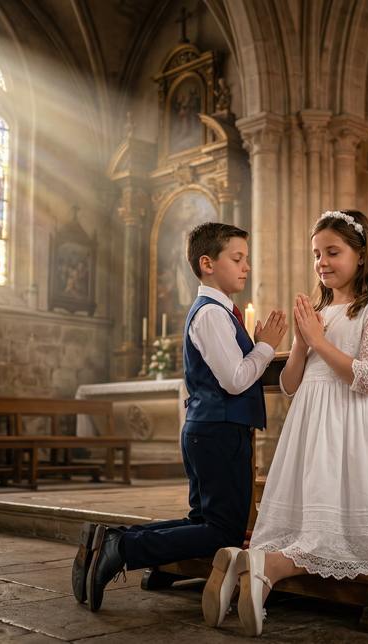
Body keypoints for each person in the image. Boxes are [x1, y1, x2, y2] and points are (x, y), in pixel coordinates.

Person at [203, 210, 368, 637]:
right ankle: (265, 569)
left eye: (333, 252)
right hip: (311, 422)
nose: (322, 262)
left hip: (352, 424)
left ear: (362, 255)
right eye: (317, 254)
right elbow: (289, 385)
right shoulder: (318, 310)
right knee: (322, 526)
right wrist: (302, 343)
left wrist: (318, 339)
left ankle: (255, 565)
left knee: (347, 527)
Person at [73, 222, 289, 613]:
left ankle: (110, 539)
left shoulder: (218, 312)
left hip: (210, 429)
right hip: (219, 431)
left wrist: (257, 347)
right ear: (207, 263)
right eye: (237, 258)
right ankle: (122, 547)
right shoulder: (212, 315)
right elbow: (235, 379)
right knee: (222, 532)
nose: (246, 267)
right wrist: (266, 347)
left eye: (246, 259)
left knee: (204, 521)